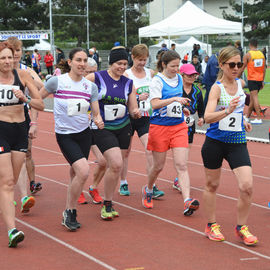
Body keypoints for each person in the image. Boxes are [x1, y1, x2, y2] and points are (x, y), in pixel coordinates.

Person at [40, 47, 104, 231]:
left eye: (85, 60)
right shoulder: (57, 82)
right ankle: (70, 210)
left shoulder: (90, 87)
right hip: (65, 135)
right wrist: (32, 122)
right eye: (78, 60)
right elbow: (38, 99)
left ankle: (70, 209)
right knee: (83, 171)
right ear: (70, 62)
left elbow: (95, 112)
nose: (82, 64)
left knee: (76, 173)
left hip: (84, 133)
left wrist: (98, 119)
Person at [202, 46, 258, 246]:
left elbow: (238, 112)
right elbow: (207, 116)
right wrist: (227, 111)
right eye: (232, 65)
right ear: (222, 65)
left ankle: (241, 227)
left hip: (237, 142)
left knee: (247, 186)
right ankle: (211, 224)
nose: (236, 68)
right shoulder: (217, 88)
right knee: (212, 185)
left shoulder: (241, 83)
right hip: (215, 142)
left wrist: (243, 119)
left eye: (239, 64)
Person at [86, 46, 141, 220]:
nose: (123, 67)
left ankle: (108, 200)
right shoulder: (97, 77)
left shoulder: (128, 83)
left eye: (125, 63)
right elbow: (77, 87)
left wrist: (136, 112)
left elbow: (132, 108)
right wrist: (91, 114)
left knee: (116, 167)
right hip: (103, 128)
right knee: (116, 163)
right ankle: (107, 204)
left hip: (123, 127)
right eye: (119, 63)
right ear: (111, 62)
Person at [143, 50, 199, 216]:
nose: (176, 69)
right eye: (173, 66)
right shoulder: (157, 81)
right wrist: (175, 100)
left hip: (178, 126)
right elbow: (154, 104)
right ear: (163, 65)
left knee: (182, 165)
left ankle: (187, 200)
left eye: (178, 65)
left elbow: (176, 104)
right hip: (159, 127)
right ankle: (149, 188)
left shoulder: (180, 78)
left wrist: (183, 109)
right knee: (158, 166)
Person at [0, 41, 44, 247]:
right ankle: (12, 230)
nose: (8, 61)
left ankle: (5, 205)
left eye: (10, 57)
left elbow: (41, 104)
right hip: (0, 130)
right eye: (3, 58)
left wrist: (25, 99)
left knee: (11, 179)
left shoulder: (23, 76)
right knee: (8, 182)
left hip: (19, 131)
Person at [120, 44, 164, 198]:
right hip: (128, 118)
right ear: (132, 57)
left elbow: (157, 92)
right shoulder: (126, 74)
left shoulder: (150, 73)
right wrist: (137, 98)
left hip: (146, 117)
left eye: (145, 60)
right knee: (125, 152)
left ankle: (152, 185)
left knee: (150, 150)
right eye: (139, 60)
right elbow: (120, 97)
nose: (142, 63)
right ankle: (123, 182)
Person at [7, 36, 43, 215]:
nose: (14, 57)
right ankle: (6, 193)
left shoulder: (25, 71)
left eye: (17, 52)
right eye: (10, 53)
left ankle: (24, 196)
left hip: (22, 118)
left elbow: (41, 90)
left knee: (22, 156)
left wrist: (28, 80)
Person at [77, 57, 105, 205]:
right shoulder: (76, 86)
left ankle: (93, 187)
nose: (91, 75)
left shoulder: (98, 85)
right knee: (80, 164)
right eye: (88, 72)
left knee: (103, 161)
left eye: (94, 72)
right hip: (78, 129)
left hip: (94, 128)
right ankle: (78, 189)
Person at [173, 64, 204, 191]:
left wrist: (202, 117)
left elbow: (201, 109)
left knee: (184, 156)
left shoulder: (197, 91)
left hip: (190, 126)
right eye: (189, 75)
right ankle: (179, 179)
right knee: (178, 156)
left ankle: (178, 179)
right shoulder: (176, 89)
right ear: (182, 75)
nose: (192, 77)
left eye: (194, 75)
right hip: (174, 125)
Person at [240, 39, 266, 125]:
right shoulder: (261, 54)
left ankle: (258, 117)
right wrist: (262, 80)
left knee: (254, 98)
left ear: (250, 45)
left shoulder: (248, 55)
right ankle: (247, 116)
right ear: (257, 45)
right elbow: (264, 69)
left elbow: (242, 67)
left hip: (252, 79)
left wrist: (236, 77)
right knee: (251, 98)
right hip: (259, 79)